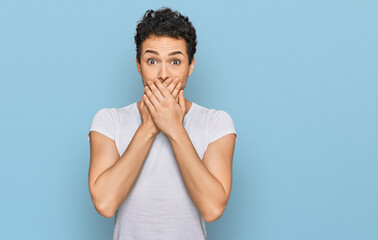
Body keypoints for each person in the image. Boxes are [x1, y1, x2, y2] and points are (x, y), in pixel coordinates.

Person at [87, 7, 237, 240]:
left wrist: (174, 128)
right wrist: (149, 126)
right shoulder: (109, 121)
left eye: (175, 61)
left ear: (191, 66)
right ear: (138, 65)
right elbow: (105, 203)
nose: (163, 74)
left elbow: (212, 208)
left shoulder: (216, 123)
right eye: (152, 60)